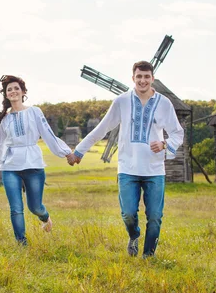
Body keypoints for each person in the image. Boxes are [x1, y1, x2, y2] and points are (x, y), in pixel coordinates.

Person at [69, 61, 184, 258]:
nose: (143, 80)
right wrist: (79, 151)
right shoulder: (121, 102)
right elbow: (102, 128)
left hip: (154, 169)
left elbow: (177, 133)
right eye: (139, 76)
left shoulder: (164, 103)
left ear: (152, 79)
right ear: (133, 78)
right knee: (128, 214)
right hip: (128, 168)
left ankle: (149, 256)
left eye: (146, 76)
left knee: (155, 217)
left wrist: (164, 144)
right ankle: (134, 235)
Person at [0, 75, 77, 245]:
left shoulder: (34, 112)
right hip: (10, 166)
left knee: (35, 207)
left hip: (33, 164)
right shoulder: (3, 118)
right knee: (16, 209)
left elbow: (48, 134)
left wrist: (66, 153)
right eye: (9, 89)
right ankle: (21, 243)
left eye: (16, 88)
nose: (13, 91)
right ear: (6, 94)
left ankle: (45, 218)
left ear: (23, 92)